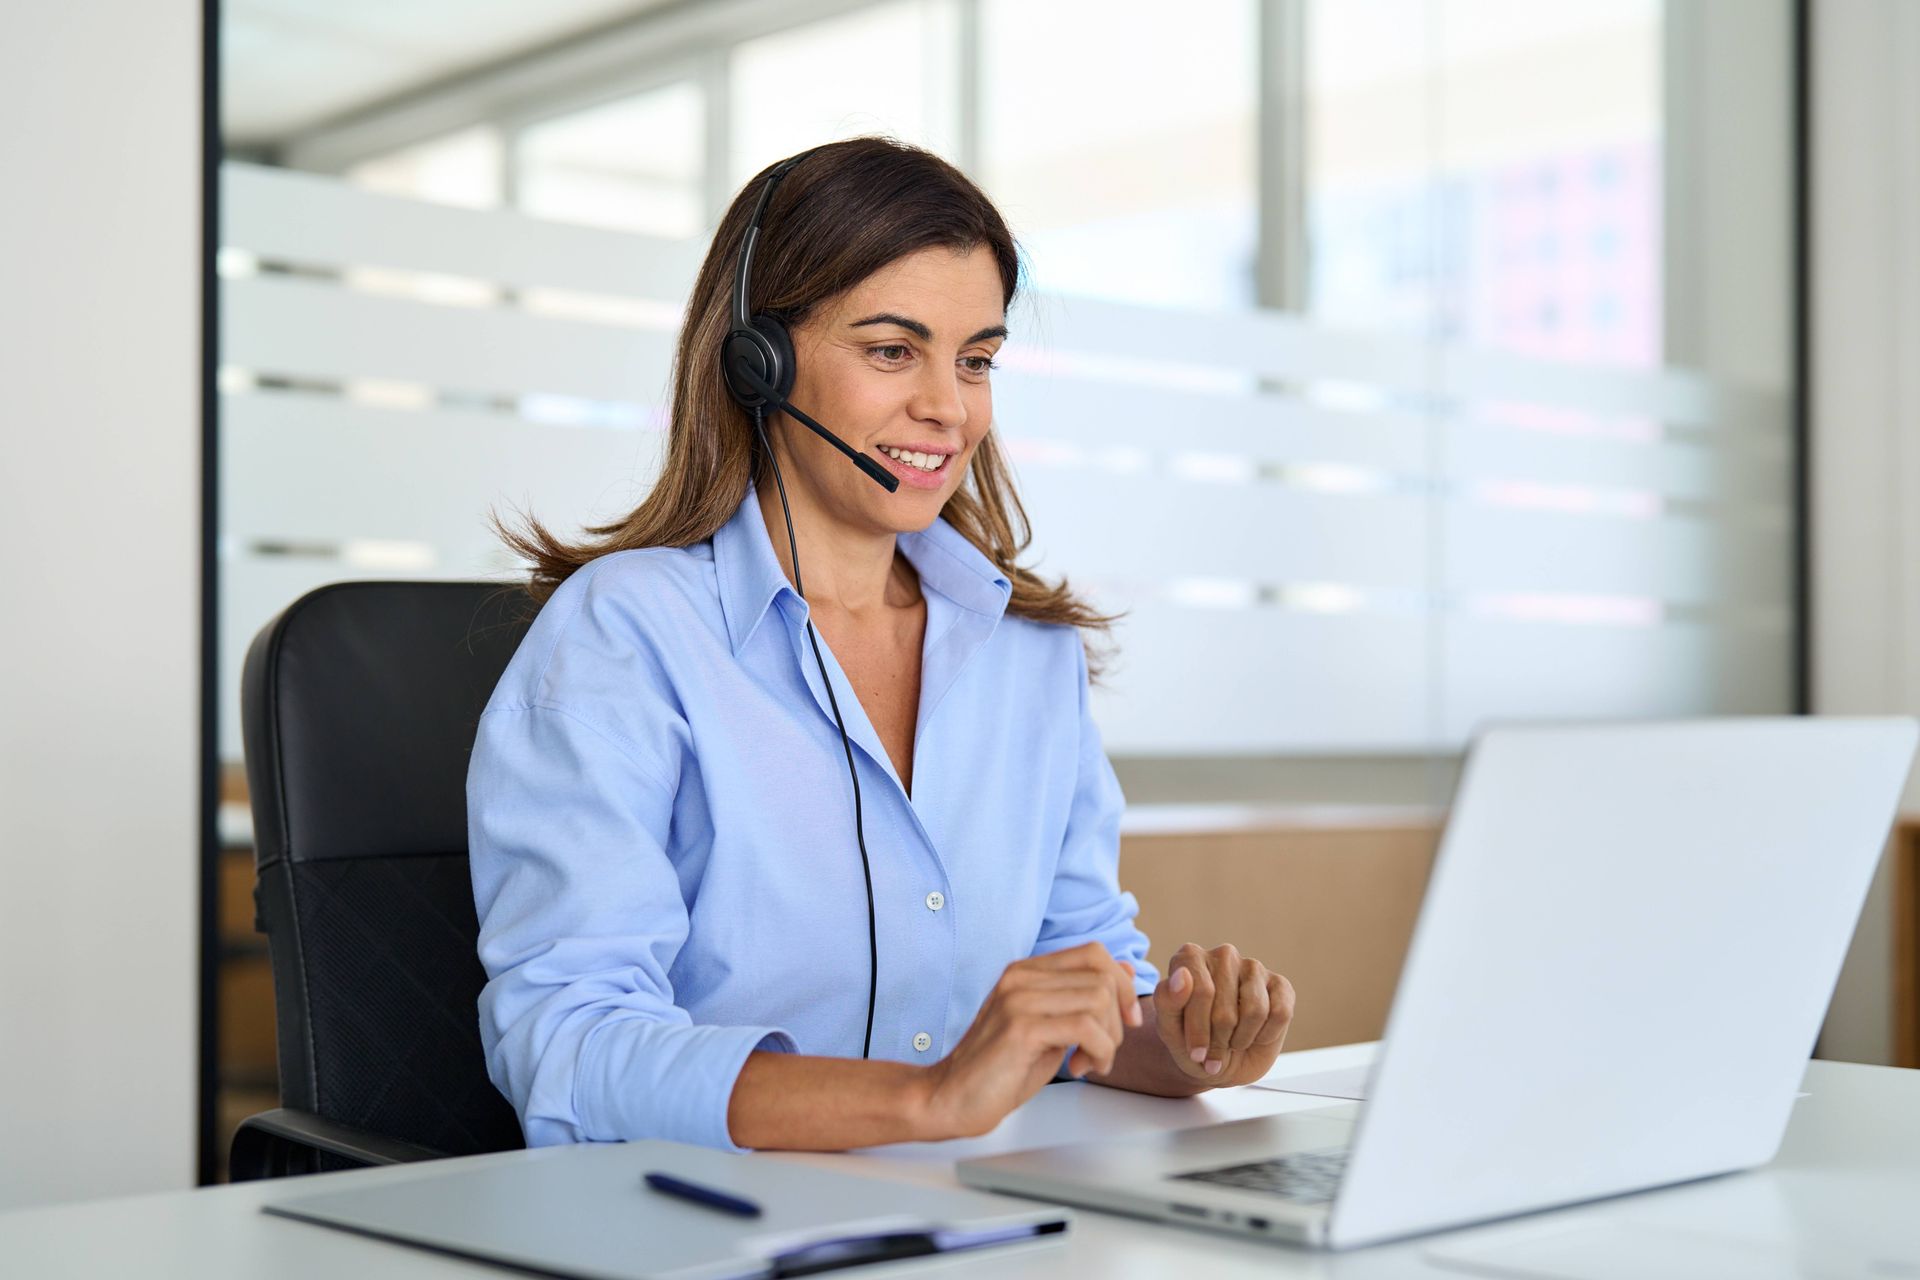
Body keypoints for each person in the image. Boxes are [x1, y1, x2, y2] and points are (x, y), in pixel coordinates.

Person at [468, 136, 1295, 1153]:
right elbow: (570, 1043)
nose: (947, 406)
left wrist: (1188, 1043)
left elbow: (1080, 984)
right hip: (706, 1227)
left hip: (984, 1219)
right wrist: (925, 1099)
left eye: (976, 359)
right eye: (891, 350)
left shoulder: (1026, 654)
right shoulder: (624, 638)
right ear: (757, 361)